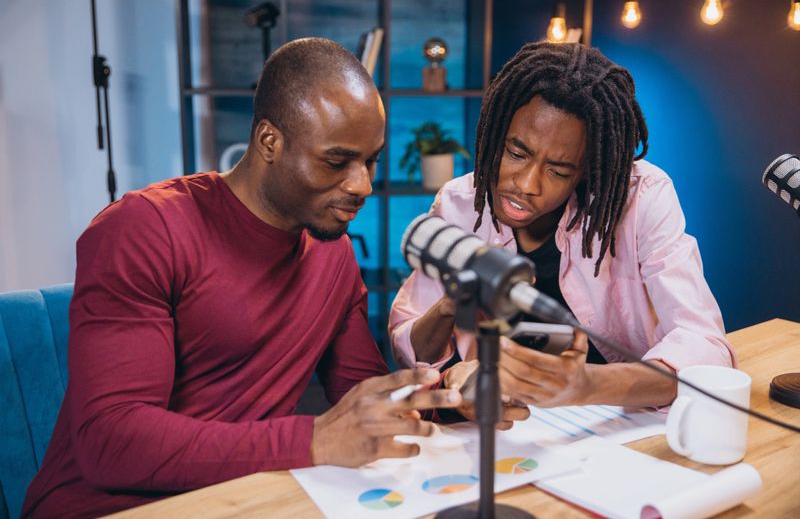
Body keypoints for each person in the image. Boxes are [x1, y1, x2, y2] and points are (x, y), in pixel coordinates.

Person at [22, 38, 472, 518]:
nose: (362, 185)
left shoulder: (333, 254)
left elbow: (365, 399)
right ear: (269, 142)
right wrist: (315, 439)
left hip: (236, 499)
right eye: (336, 161)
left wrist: (453, 394)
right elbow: (112, 443)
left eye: (371, 160)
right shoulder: (143, 229)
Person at [389, 41, 735, 410]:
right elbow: (410, 347)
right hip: (510, 424)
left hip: (617, 418)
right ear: (493, 133)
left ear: (586, 171)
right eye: (516, 153)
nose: (527, 185)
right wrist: (448, 308)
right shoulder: (459, 205)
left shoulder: (642, 198)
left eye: (558, 171)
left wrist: (584, 385)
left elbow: (705, 346)